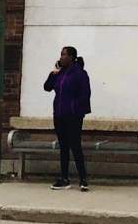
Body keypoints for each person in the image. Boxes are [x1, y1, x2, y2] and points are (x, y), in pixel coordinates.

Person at [43, 45, 91, 190]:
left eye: (64, 54)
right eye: (61, 54)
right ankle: (64, 178)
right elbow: (47, 87)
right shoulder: (60, 73)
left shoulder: (80, 73)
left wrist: (75, 108)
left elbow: (85, 94)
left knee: (75, 146)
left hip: (73, 115)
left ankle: (83, 179)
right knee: (63, 146)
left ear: (71, 57)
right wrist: (53, 73)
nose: (61, 57)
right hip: (59, 114)